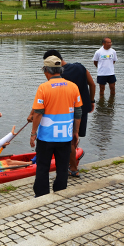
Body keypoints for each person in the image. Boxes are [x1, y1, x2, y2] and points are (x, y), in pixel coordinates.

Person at [28, 55, 82, 197]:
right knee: (63, 168)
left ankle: (41, 194)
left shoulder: (43, 88)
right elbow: (78, 112)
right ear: (60, 70)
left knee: (43, 167)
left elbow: (38, 113)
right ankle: (60, 192)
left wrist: (33, 133)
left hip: (46, 137)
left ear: (46, 70)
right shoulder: (73, 86)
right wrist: (75, 132)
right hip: (65, 136)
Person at [41, 50, 94, 177]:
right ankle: (72, 161)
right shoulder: (80, 67)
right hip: (82, 108)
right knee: (75, 136)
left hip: (66, 111)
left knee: (68, 140)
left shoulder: (57, 76)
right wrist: (91, 101)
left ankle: (73, 168)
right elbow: (92, 84)